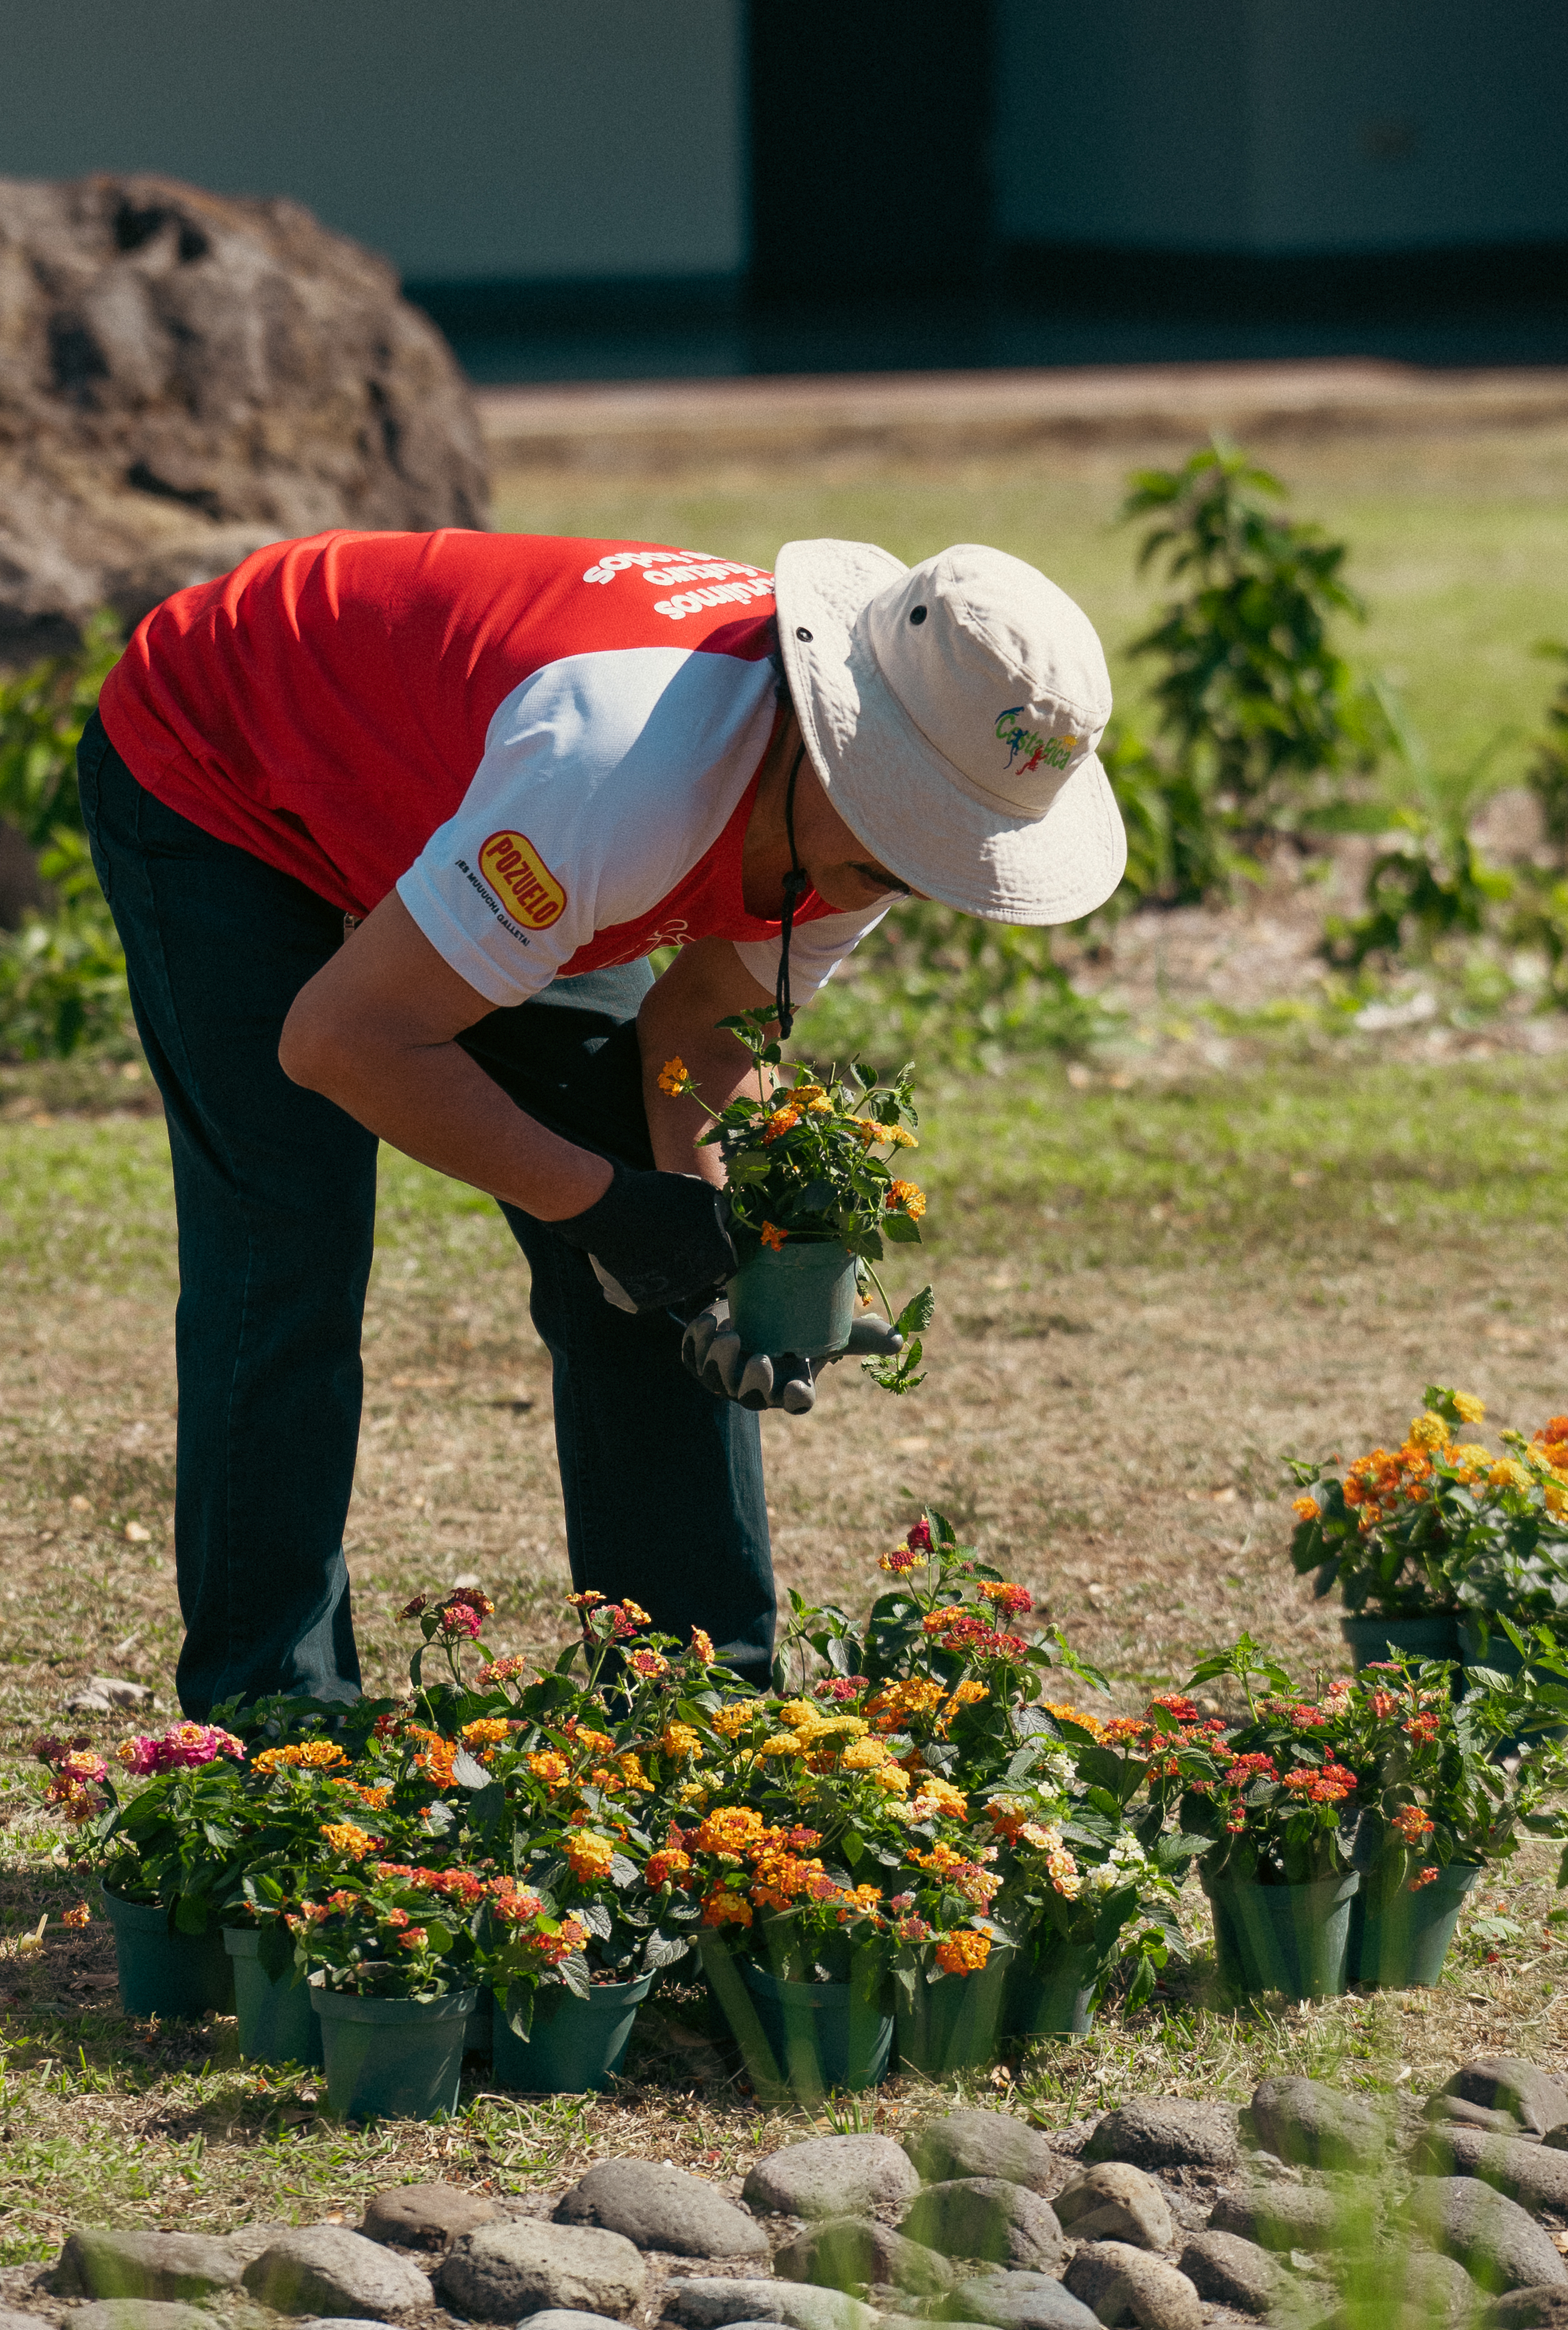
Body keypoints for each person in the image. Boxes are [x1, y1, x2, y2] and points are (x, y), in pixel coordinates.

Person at [79, 529, 1123, 1714]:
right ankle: (276, 1724)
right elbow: (344, 1042)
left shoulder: (864, 825)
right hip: (229, 762)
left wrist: (714, 1256)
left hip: (476, 795)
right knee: (289, 1253)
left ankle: (691, 1710)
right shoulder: (619, 772)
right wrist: (604, 1206)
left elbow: (700, 1033)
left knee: (663, 1249)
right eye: (915, 836)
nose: (921, 875)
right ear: (840, 747)